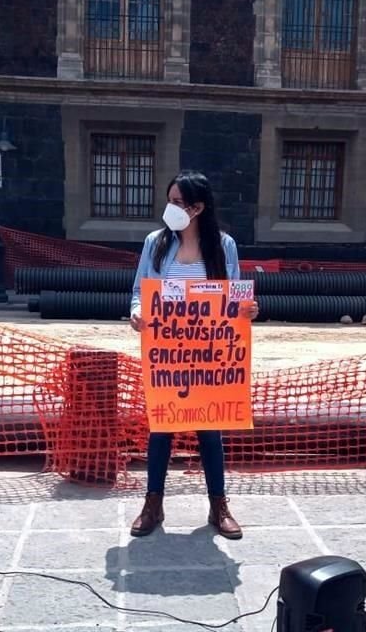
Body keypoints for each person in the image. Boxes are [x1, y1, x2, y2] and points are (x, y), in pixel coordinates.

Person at [128, 170, 259, 539]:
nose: (170, 208)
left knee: (209, 429)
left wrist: (248, 309)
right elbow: (141, 289)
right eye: (168, 200)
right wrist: (137, 312)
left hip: (210, 355)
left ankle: (219, 505)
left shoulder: (223, 245)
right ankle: (153, 503)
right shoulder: (156, 242)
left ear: (198, 208)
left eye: (177, 203)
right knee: (161, 428)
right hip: (167, 352)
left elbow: (235, 297)